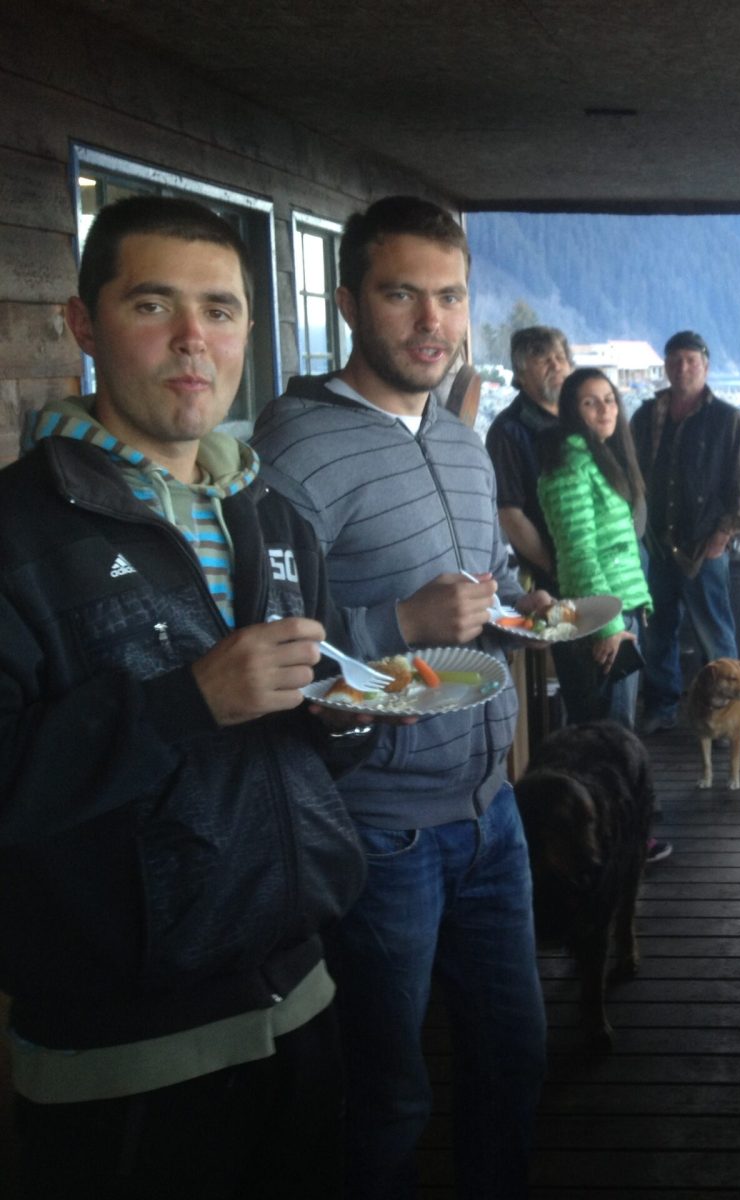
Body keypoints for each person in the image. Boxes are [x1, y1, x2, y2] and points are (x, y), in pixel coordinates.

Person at [0, 195, 371, 1197]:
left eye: (220, 310)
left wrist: (347, 722)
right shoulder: (19, 531)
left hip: (302, 997)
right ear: (83, 324)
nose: (192, 339)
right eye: (152, 304)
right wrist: (184, 703)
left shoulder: (275, 517)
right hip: (123, 1055)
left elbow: (300, 747)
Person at [251, 196, 548, 1200]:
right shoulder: (293, 453)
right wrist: (400, 623)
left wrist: (519, 609)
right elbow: (268, 645)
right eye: (401, 295)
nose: (432, 322)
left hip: (491, 812)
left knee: (514, 1061)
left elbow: (483, 589)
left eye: (451, 297)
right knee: (385, 1099)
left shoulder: (463, 443)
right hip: (379, 831)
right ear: (347, 304)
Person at [630, 330, 740, 735]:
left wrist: (723, 536)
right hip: (655, 545)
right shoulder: (646, 417)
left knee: (715, 635)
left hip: (705, 547)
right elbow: (630, 474)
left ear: (705, 366)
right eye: (675, 361)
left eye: (691, 360)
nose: (682, 368)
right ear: (666, 367)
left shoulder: (727, 419)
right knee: (657, 633)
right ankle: (662, 707)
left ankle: (727, 718)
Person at [536, 368, 653, 727]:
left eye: (609, 400)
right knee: (606, 737)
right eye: (590, 403)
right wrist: (609, 627)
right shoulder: (569, 465)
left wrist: (637, 604)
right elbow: (578, 554)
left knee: (613, 734)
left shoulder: (599, 457)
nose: (604, 409)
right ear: (572, 411)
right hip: (599, 620)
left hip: (619, 610)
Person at [486, 325, 573, 595]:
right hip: (554, 581)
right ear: (521, 374)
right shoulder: (507, 431)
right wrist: (557, 570)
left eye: (560, 358)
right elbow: (510, 516)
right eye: (544, 360)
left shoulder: (584, 417)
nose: (556, 366)